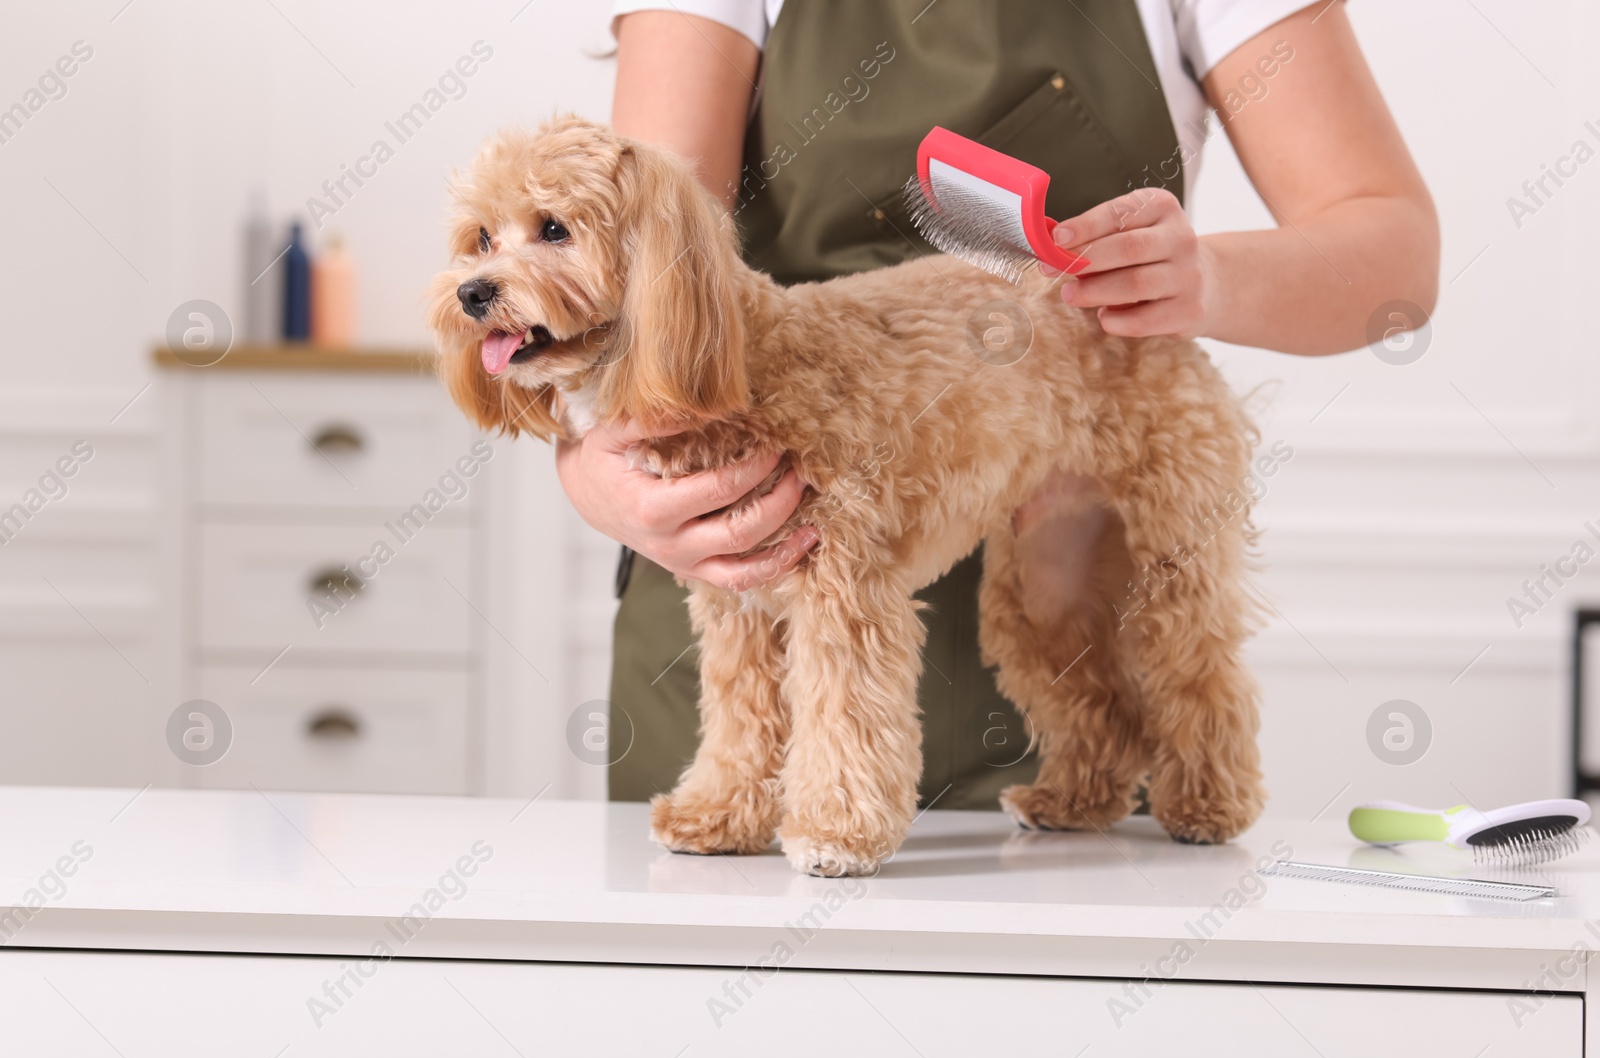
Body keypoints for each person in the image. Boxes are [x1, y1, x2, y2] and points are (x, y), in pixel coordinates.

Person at [562, 0, 1439, 808]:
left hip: (1066, 611)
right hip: (748, 575)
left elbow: (1395, 254)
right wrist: (591, 470)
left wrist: (1211, 278)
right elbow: (637, 260)